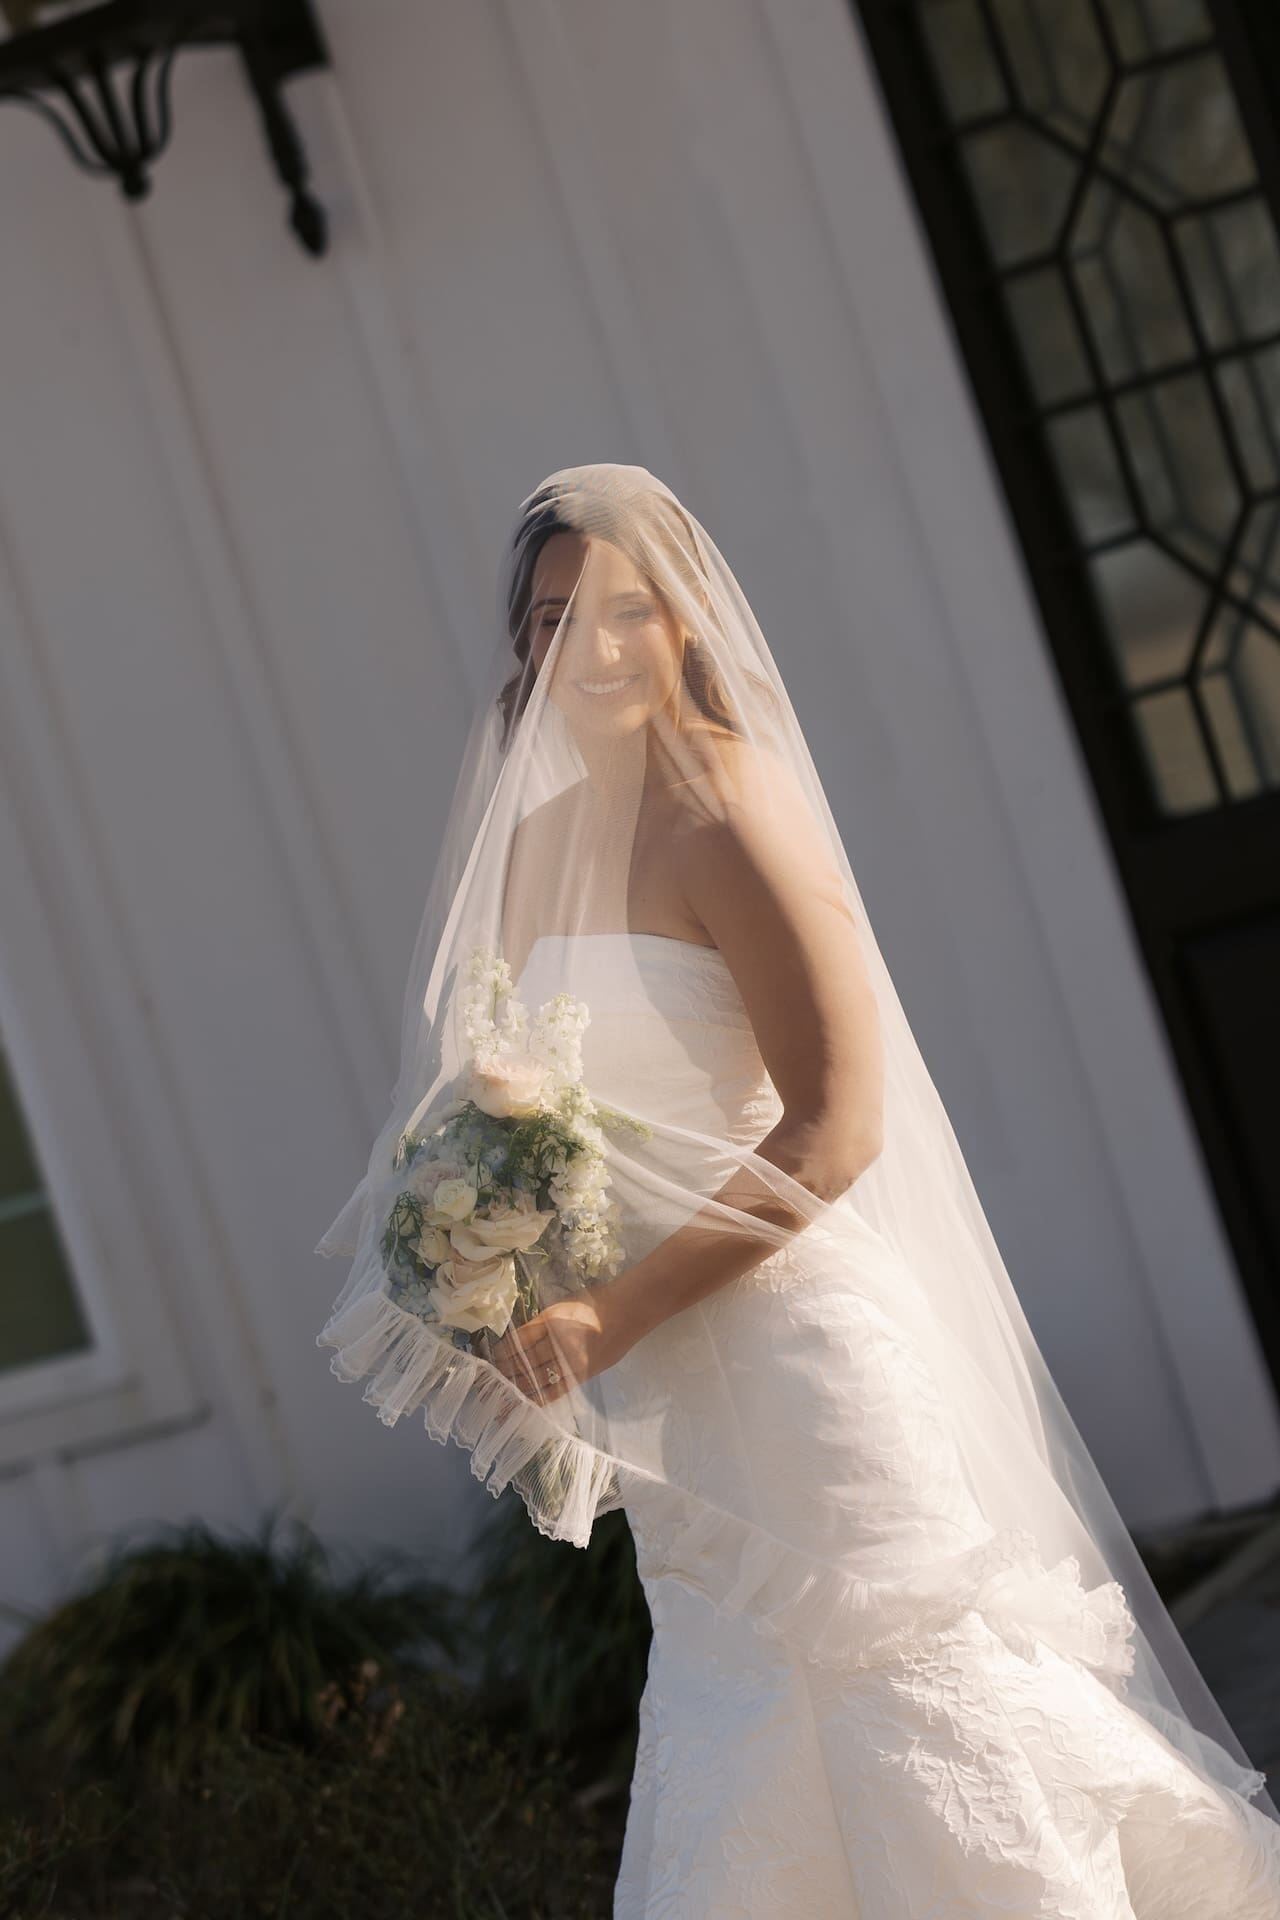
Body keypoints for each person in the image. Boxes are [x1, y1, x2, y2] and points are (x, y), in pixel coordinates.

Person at [317, 463, 1280, 1915]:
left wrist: (612, 1315)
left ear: (686, 622)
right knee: (739, 1720)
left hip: (803, 1368)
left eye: (624, 611)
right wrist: (495, 1255)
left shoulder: (732, 819)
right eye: (553, 618)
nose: (589, 647)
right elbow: (528, 1107)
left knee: (917, 1694)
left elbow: (834, 1128)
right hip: (680, 1408)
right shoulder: (526, 853)